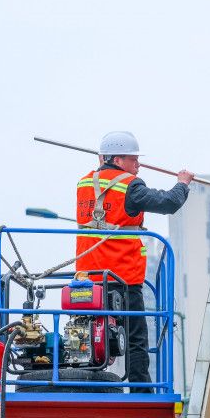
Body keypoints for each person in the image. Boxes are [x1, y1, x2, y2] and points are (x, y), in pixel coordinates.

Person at [76, 131, 193, 393]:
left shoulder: (84, 184)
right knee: (136, 338)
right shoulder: (129, 185)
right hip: (122, 277)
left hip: (87, 277)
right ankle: (141, 390)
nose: (138, 165)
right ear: (117, 159)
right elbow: (168, 203)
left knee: (88, 333)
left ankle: (83, 384)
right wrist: (182, 183)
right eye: (133, 159)